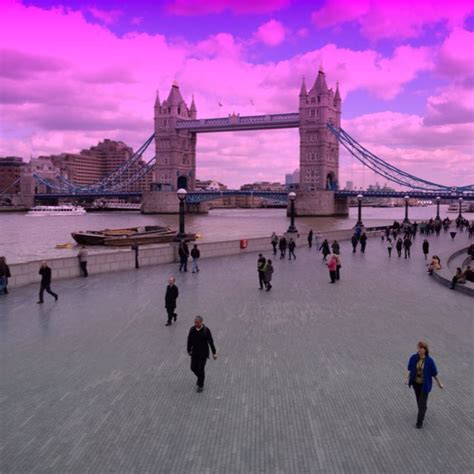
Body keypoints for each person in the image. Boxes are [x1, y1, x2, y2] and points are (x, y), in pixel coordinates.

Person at [406, 341, 444, 429]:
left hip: (425, 385)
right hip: (416, 384)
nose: (418, 349)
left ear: (425, 350)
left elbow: (434, 373)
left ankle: (419, 422)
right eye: (418, 348)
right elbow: (410, 369)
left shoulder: (430, 361)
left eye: (420, 348)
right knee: (419, 403)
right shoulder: (413, 358)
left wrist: (439, 382)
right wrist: (406, 378)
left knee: (421, 404)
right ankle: (423, 408)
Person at [187, 316, 217, 393]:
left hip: (203, 353)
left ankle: (201, 385)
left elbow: (211, 342)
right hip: (195, 352)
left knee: (200, 368)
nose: (195, 324)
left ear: (201, 322)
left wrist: (214, 353)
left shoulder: (206, 331)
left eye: (197, 322)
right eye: (195, 322)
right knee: (193, 368)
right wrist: (188, 350)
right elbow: (189, 340)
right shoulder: (192, 329)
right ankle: (200, 378)